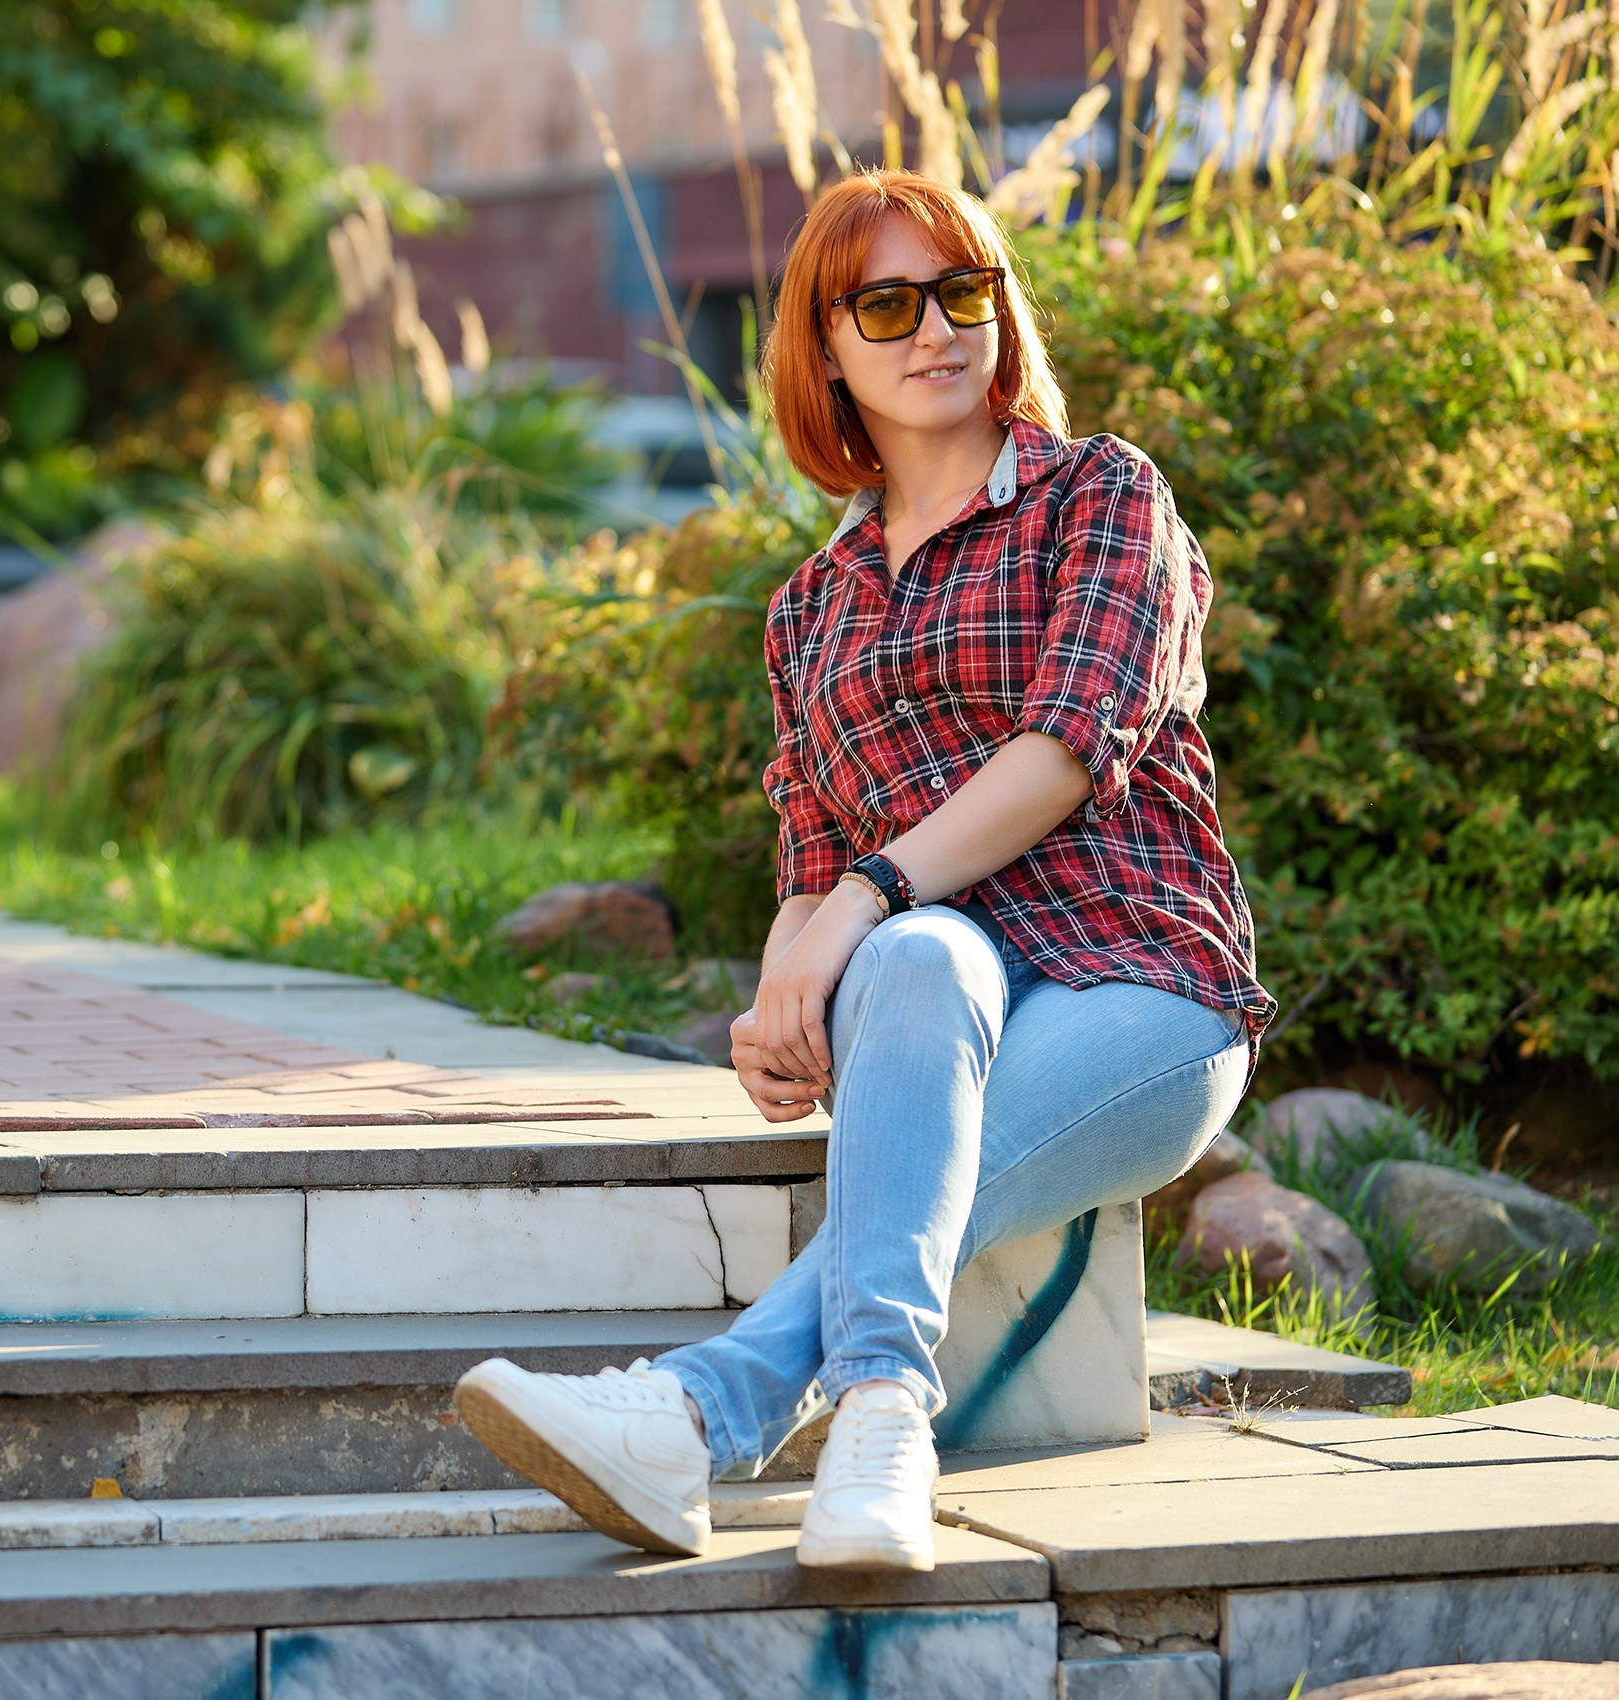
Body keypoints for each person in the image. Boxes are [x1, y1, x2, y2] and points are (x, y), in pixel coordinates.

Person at [453, 168, 1274, 1572]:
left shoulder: (1100, 495)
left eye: (963, 293)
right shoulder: (809, 609)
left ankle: (697, 1411)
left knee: (894, 945)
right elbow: (812, 852)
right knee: (903, 956)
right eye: (884, 303)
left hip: (1137, 983)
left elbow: (1069, 746)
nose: (934, 330)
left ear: (1002, 312)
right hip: (925, 993)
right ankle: (883, 1427)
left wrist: (857, 902)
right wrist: (788, 982)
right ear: (820, 347)